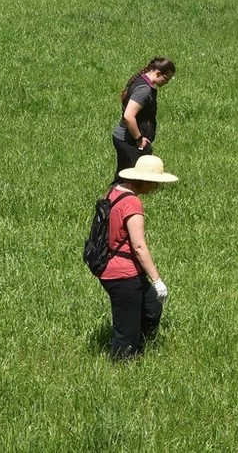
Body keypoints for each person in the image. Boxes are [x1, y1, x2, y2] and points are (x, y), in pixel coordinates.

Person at [99, 154, 178, 360]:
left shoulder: (115, 191)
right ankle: (122, 367)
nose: (157, 188)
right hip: (121, 274)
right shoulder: (132, 203)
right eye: (156, 183)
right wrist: (157, 281)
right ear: (145, 181)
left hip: (115, 268)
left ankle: (141, 350)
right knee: (126, 333)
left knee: (151, 308)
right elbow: (139, 246)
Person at [112, 57, 176, 182]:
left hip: (126, 139)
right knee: (130, 181)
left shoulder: (142, 81)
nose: (166, 83)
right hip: (129, 141)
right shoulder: (144, 90)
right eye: (166, 79)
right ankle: (113, 200)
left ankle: (110, 199)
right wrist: (139, 140)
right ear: (158, 73)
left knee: (123, 178)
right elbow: (128, 116)